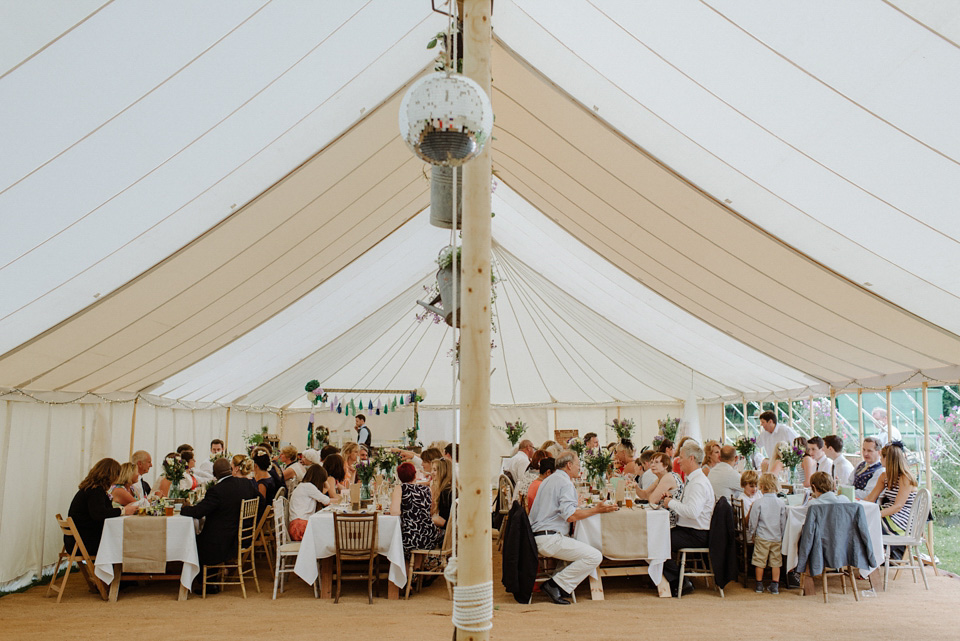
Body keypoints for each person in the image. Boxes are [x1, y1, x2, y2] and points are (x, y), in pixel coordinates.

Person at [528, 450, 617, 605]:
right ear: (569, 465)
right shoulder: (565, 483)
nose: (579, 467)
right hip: (549, 539)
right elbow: (570, 516)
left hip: (536, 535)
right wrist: (597, 510)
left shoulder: (550, 479)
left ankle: (558, 583)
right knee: (594, 556)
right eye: (578, 464)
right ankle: (554, 585)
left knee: (580, 542)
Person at [181, 458, 260, 582]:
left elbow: (198, 512)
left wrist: (184, 508)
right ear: (230, 470)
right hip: (243, 536)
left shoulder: (216, 491)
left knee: (191, 540)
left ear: (214, 474)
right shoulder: (245, 484)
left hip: (221, 543)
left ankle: (207, 582)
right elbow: (263, 502)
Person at [660, 440, 715, 597]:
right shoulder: (694, 480)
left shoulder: (698, 483)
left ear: (691, 458)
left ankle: (680, 581)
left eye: (681, 457)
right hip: (690, 530)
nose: (678, 460)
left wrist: (671, 503)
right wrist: (673, 501)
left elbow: (692, 512)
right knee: (657, 538)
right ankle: (672, 578)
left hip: (696, 534)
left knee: (656, 542)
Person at [66, 458, 138, 556]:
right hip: (85, 542)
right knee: (125, 541)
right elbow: (99, 514)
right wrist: (123, 510)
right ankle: (121, 570)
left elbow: (102, 511)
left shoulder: (91, 489)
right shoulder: (95, 491)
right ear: (112, 475)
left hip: (77, 540)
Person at [866, 442, 918, 541]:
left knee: (867, 522)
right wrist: (856, 505)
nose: (880, 458)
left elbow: (898, 506)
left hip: (902, 519)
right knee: (861, 520)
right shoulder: (884, 476)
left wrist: (876, 514)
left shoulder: (905, 477)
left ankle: (875, 553)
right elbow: (870, 498)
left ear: (888, 459)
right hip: (890, 512)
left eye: (882, 456)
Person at [391, 462, 442, 558]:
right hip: (429, 535)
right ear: (415, 475)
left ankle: (406, 571)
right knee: (418, 546)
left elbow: (395, 512)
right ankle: (417, 569)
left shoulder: (400, 488)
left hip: (410, 536)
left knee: (398, 542)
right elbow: (431, 511)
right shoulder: (427, 489)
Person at [747, 474, 787, 594]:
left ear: (761, 486)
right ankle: (775, 585)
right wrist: (782, 535)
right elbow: (783, 522)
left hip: (762, 536)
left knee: (759, 560)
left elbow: (753, 521)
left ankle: (759, 584)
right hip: (776, 537)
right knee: (776, 562)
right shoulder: (781, 503)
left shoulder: (758, 503)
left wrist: (752, 533)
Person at [636, 452, 683, 525]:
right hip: (665, 516)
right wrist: (635, 486)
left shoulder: (668, 477)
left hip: (672, 521)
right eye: (651, 462)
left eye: (657, 462)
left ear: (666, 466)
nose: (652, 465)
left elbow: (652, 500)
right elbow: (644, 495)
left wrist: (651, 496)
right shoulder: (660, 479)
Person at [288, 464, 331, 541]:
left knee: (326, 530)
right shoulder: (308, 487)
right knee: (328, 531)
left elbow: (321, 497)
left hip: (296, 526)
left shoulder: (303, 486)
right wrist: (327, 486)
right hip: (300, 527)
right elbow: (326, 501)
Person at [252, 452, 278, 516]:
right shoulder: (269, 476)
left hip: (264, 514)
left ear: (256, 465)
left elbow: (261, 503)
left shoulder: (262, 484)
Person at [431, 458, 454, 529]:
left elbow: (444, 521)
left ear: (443, 472)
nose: (431, 472)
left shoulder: (446, 492)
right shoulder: (447, 489)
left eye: (435, 470)